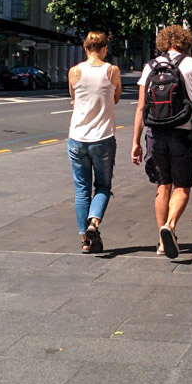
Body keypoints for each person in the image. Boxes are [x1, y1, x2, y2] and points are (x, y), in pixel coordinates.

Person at [132, 25, 192, 259]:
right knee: (182, 185)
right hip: (183, 133)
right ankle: (171, 225)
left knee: (162, 185)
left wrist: (136, 142)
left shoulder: (150, 66)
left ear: (163, 42)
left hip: (155, 133)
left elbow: (141, 108)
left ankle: (161, 241)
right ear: (185, 42)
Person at [67, 31, 121, 254]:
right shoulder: (112, 71)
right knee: (103, 186)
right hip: (103, 138)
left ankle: (85, 241)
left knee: (82, 190)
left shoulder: (74, 71)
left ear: (85, 48)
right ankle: (94, 223)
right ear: (105, 49)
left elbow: (73, 98)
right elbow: (116, 98)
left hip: (77, 139)